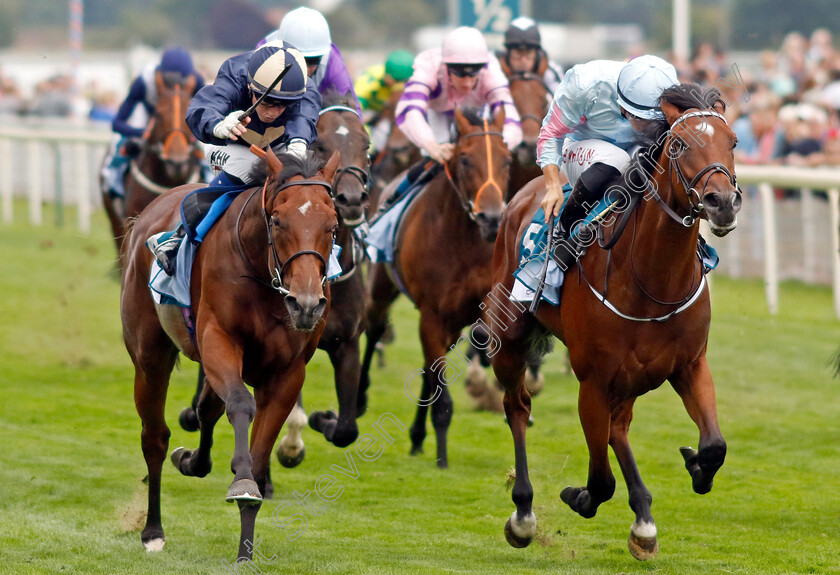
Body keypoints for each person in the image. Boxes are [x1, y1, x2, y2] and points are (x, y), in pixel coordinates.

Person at [147, 42, 320, 275]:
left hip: (278, 145)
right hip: (231, 142)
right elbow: (203, 107)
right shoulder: (234, 72)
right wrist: (217, 125)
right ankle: (176, 238)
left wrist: (299, 142)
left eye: (283, 106)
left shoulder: (305, 88)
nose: (272, 112)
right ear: (250, 86)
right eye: (266, 101)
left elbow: (304, 117)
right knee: (247, 168)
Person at [537, 54, 679, 268]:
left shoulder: (669, 90)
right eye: (642, 119)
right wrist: (553, 184)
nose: (649, 126)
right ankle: (563, 232)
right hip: (580, 146)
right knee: (618, 159)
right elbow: (550, 134)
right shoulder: (585, 84)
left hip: (634, 151)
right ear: (622, 107)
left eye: (655, 120)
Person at [394, 26, 522, 168]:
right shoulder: (429, 66)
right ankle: (402, 189)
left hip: (475, 110)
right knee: (436, 157)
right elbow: (410, 111)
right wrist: (430, 145)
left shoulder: (491, 71)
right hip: (438, 111)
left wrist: (502, 143)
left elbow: (511, 118)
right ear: (446, 68)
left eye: (473, 74)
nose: (467, 83)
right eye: (460, 74)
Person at [101, 47, 205, 199]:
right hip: (149, 116)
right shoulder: (144, 82)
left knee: (208, 149)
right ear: (160, 74)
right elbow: (117, 123)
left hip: (182, 121)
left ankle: (210, 179)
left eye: (182, 83)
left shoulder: (196, 81)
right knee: (120, 143)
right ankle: (113, 181)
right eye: (170, 81)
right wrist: (141, 133)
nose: (176, 86)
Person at [263, 7, 361, 114]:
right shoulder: (263, 56)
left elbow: (352, 109)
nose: (306, 70)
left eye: (314, 61)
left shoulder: (332, 61)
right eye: (298, 59)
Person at [354, 49, 414, 151]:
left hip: (391, 113)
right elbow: (355, 108)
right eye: (397, 81)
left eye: (405, 81)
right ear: (387, 76)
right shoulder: (371, 79)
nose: (400, 86)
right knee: (368, 143)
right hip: (369, 112)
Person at [497, 17, 564, 93]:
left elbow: (563, 102)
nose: (523, 60)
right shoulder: (495, 70)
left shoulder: (551, 72)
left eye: (528, 53)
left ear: (537, 55)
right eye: (518, 53)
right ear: (507, 55)